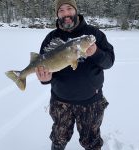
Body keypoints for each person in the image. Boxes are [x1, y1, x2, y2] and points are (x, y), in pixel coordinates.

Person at [35, 0, 115, 149]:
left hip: (91, 101)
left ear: (76, 10)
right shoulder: (51, 38)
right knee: (58, 139)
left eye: (69, 9)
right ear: (57, 14)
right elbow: (44, 66)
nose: (66, 14)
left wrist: (96, 53)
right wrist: (45, 79)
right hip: (60, 102)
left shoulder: (94, 34)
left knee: (92, 141)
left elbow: (109, 62)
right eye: (61, 10)